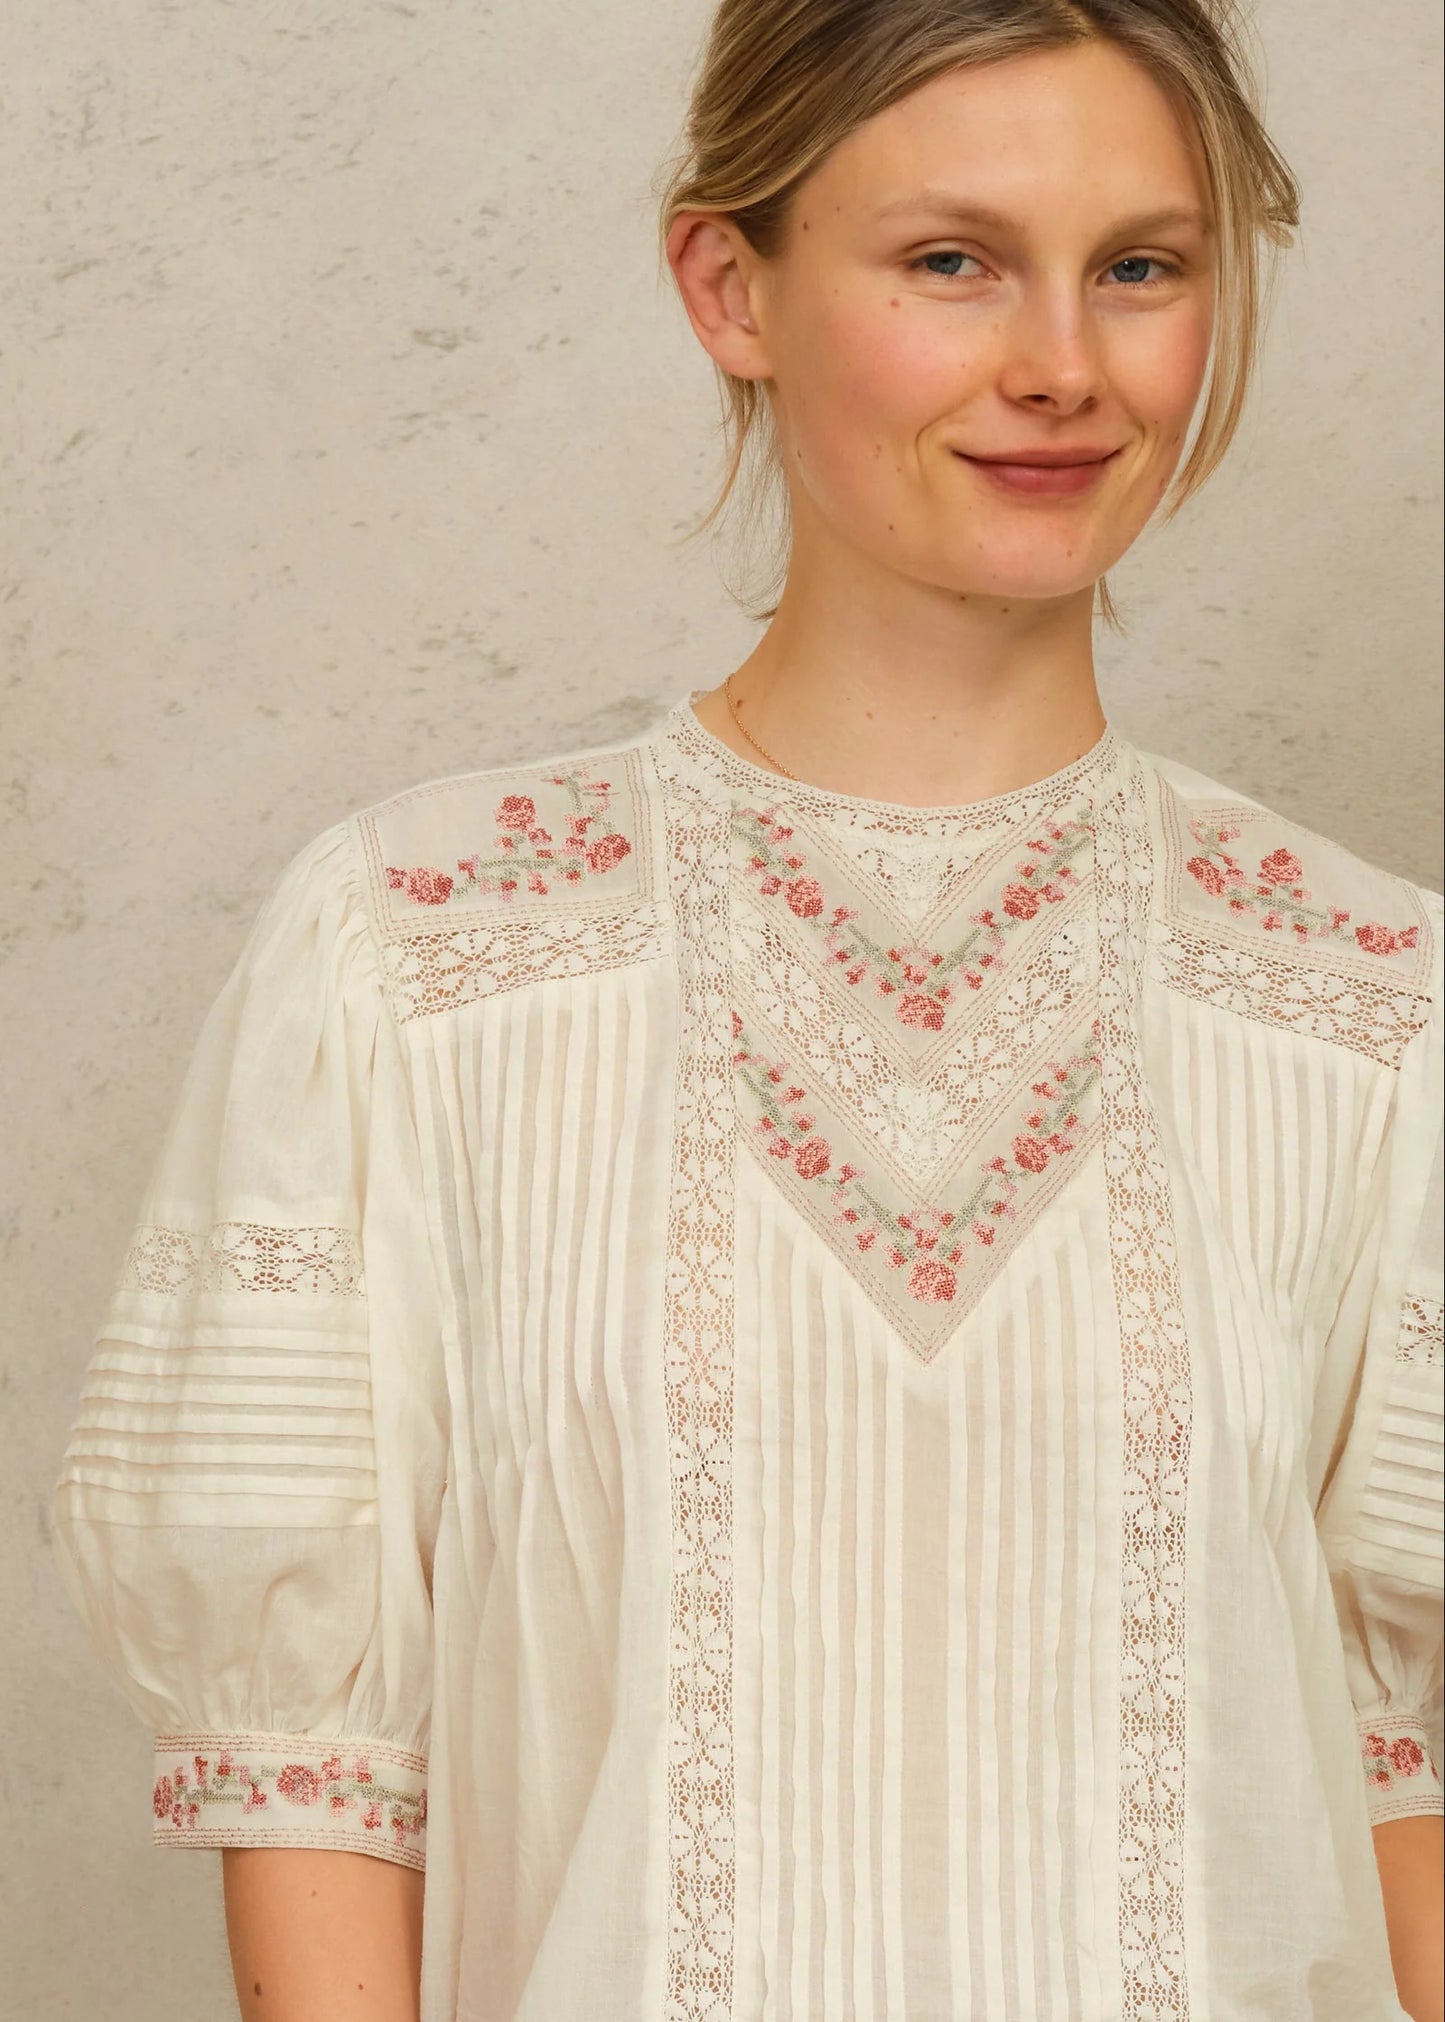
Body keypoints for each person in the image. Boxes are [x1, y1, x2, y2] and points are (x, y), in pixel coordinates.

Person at [51, 1, 1443, 2017]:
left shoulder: (1367, 1000)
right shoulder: (416, 958)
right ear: (733, 286)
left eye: (1140, 267)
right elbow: (324, 1787)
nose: (1064, 364)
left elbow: (1397, 1782)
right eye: (951, 260)